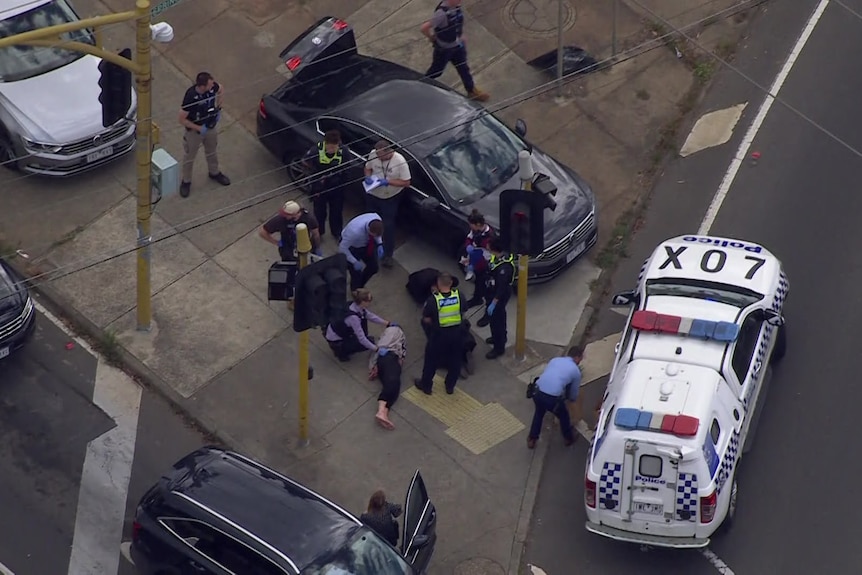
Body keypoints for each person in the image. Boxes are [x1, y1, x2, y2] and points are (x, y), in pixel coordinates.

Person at [420, 0, 489, 102]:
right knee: (436, 71)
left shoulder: (456, 7)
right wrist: (431, 38)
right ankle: (420, 85)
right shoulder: (441, 14)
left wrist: (460, 36)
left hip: (457, 46)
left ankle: (471, 91)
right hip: (444, 50)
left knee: (464, 69)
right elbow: (424, 28)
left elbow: (457, 23)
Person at [178, 72, 231, 197]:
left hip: (210, 127)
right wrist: (198, 127)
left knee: (212, 151)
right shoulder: (191, 96)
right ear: (202, 86)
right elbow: (181, 119)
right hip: (194, 131)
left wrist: (219, 107)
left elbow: (221, 88)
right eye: (210, 84)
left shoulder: (212, 87)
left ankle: (214, 172)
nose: (213, 85)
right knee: (189, 157)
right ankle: (186, 181)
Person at [414, 272, 465, 395]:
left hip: (439, 336)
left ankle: (426, 386)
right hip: (457, 335)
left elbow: (426, 318)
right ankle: (450, 386)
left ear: (438, 284)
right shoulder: (459, 296)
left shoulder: (433, 300)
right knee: (455, 361)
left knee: (431, 361)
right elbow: (463, 312)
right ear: (451, 283)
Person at [364, 140, 412, 268]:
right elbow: (368, 168)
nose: (378, 157)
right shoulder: (373, 154)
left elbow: (406, 182)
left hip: (389, 197)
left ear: (389, 151)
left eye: (381, 156)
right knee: (370, 222)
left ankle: (387, 254)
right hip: (373, 195)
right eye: (377, 155)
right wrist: (367, 177)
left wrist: (388, 182)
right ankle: (369, 248)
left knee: (388, 226)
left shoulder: (400, 161)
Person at [527, 346, 583, 449]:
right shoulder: (576, 371)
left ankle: (532, 438)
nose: (580, 361)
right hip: (552, 399)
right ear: (577, 357)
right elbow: (573, 394)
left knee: (539, 413)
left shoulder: (555, 360)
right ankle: (568, 438)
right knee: (563, 416)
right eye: (580, 358)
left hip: (537, 391)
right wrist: (570, 400)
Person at [303, 130, 349, 239]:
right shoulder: (316, 150)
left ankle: (337, 232)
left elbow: (347, 169)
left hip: (336, 186)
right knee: (319, 212)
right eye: (330, 147)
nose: (332, 150)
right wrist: (314, 173)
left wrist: (343, 182)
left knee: (336, 211)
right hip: (319, 186)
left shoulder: (344, 151)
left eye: (334, 147)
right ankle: (320, 232)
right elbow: (305, 161)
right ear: (325, 143)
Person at [324, 289, 391, 362]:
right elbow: (361, 338)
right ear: (362, 302)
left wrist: (387, 323)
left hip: (337, 331)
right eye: (369, 300)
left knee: (368, 339)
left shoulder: (354, 306)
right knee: (367, 343)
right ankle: (341, 352)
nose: (370, 301)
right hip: (336, 341)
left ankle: (344, 348)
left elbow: (370, 316)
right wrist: (377, 349)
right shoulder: (353, 318)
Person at [479, 238, 515, 359]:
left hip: (498, 297)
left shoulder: (504, 268)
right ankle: (498, 338)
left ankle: (499, 348)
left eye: (489, 246)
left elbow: (501, 288)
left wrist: (494, 302)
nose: (487, 247)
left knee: (496, 322)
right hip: (492, 293)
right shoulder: (497, 257)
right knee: (497, 319)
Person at [368, 325, 406, 430]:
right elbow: (380, 347)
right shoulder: (394, 330)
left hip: (392, 360)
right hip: (389, 357)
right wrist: (373, 365)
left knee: (395, 387)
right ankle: (381, 411)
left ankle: (384, 412)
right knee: (392, 382)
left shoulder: (397, 335)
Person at [339, 213, 385, 291]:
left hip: (366, 245)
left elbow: (377, 235)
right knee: (356, 274)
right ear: (369, 231)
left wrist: (380, 243)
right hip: (352, 247)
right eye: (374, 236)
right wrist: (354, 261)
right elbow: (342, 248)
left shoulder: (377, 218)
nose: (375, 237)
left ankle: (360, 285)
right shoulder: (353, 232)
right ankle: (355, 290)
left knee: (373, 267)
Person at [460, 209, 495, 305]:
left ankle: (478, 299)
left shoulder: (490, 236)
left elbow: (488, 253)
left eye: (471, 225)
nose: (470, 227)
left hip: (484, 263)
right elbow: (469, 238)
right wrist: (468, 246)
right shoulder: (475, 231)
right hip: (476, 260)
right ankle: (477, 297)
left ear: (478, 224)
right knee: (477, 281)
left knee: (481, 282)